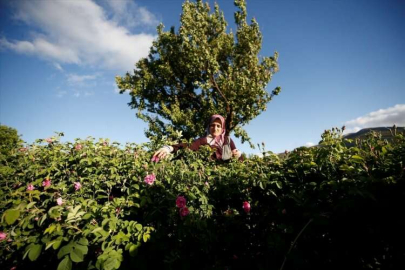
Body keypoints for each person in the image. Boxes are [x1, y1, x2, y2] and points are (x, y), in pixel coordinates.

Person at [153, 114, 242, 161]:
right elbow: (187, 146)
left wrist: (238, 155)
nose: (215, 128)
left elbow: (237, 155)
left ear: (222, 128)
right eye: (212, 125)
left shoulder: (227, 140)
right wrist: (169, 148)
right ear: (209, 127)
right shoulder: (204, 140)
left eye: (218, 126)